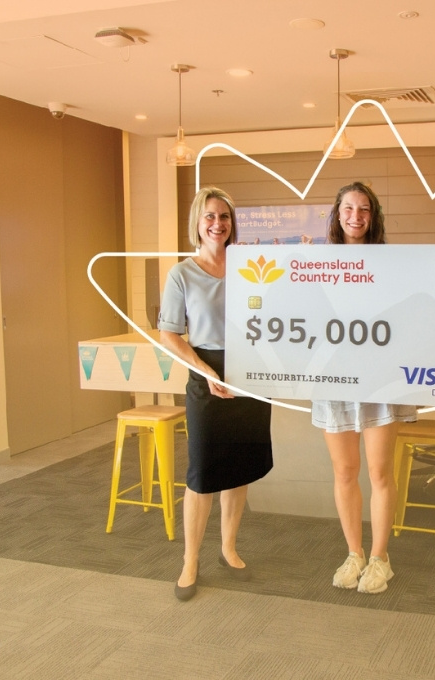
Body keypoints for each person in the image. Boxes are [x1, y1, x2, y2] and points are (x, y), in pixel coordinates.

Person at [158, 186, 273, 601]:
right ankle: (190, 560)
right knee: (203, 471)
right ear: (198, 222)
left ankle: (228, 547)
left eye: (224, 216)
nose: (217, 224)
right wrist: (204, 369)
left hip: (250, 371)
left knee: (239, 466)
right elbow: (168, 333)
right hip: (205, 371)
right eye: (210, 216)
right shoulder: (182, 274)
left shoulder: (249, 266)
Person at [311, 181, 417, 594]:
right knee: (344, 471)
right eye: (349, 208)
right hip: (334, 380)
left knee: (378, 472)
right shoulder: (317, 262)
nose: (356, 216)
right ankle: (353, 553)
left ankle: (380, 558)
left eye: (364, 209)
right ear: (337, 214)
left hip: (378, 379)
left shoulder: (391, 262)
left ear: (373, 216)